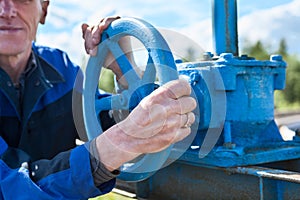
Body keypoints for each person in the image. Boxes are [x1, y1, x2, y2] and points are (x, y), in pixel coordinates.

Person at [0, 0, 196, 199]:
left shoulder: (63, 70)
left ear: (43, 9)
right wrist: (121, 143)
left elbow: (102, 120)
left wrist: (127, 75)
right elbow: (8, 185)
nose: (6, 11)